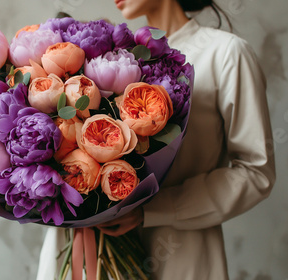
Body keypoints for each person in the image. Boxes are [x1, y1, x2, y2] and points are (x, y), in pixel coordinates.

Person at [96, 0, 276, 279]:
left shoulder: (226, 53)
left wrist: (154, 209)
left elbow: (256, 172)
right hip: (97, 258)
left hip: (185, 254)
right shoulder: (111, 59)